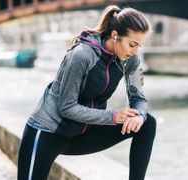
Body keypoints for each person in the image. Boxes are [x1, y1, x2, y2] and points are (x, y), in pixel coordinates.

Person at [17, 5, 156, 180]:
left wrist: (139, 115)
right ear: (115, 36)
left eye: (139, 46)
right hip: (48, 132)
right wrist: (113, 117)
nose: (135, 51)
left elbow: (138, 99)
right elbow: (66, 107)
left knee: (147, 124)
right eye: (132, 44)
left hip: (82, 133)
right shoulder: (82, 55)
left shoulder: (131, 60)